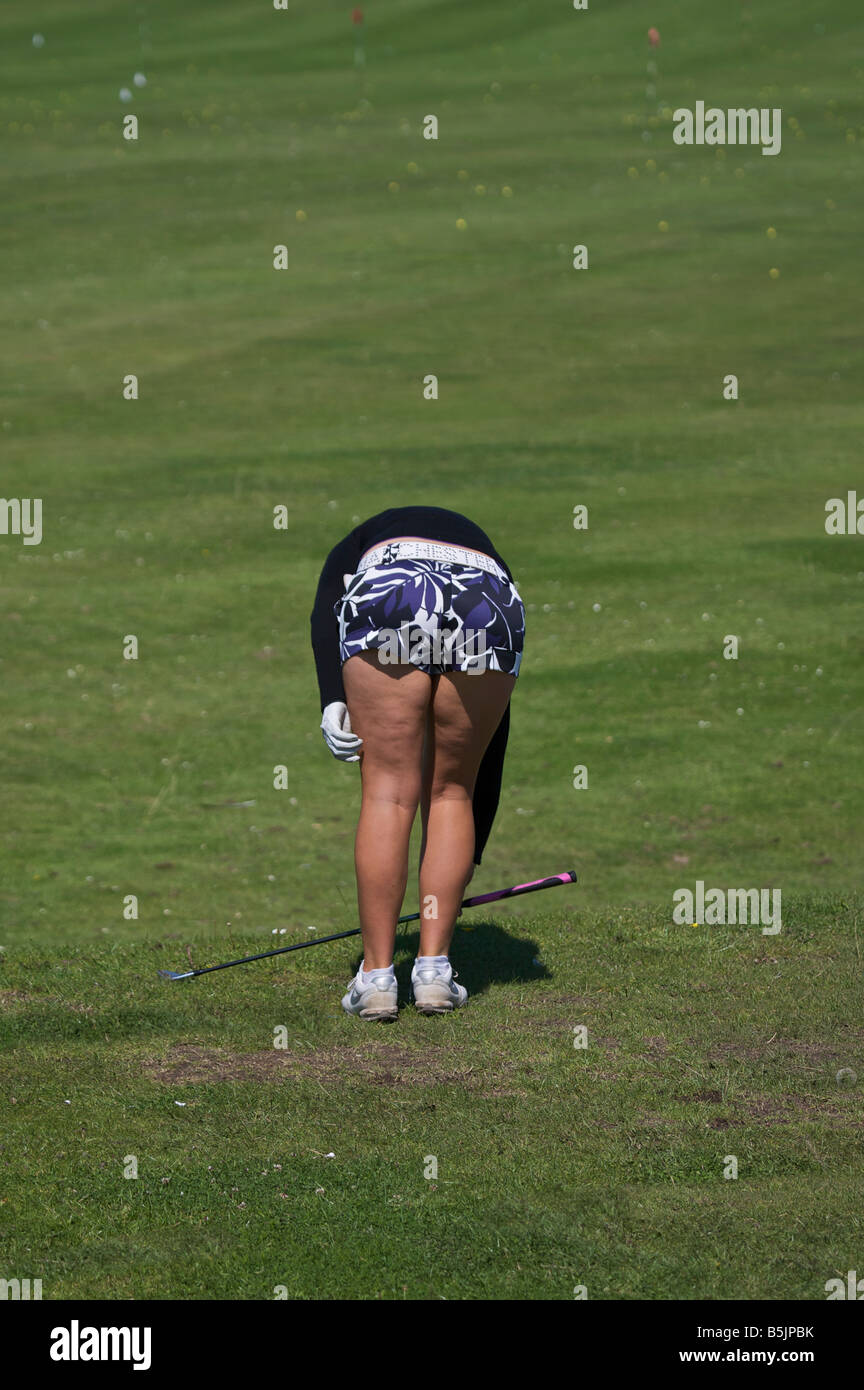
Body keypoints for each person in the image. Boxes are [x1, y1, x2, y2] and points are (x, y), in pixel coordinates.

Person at [310, 506, 525, 1019]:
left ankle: (377, 979)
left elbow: (325, 612)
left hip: (392, 588)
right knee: (452, 791)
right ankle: (433, 973)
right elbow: (495, 745)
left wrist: (330, 698)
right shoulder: (487, 554)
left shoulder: (358, 545)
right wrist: (471, 850)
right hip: (486, 597)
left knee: (388, 790)